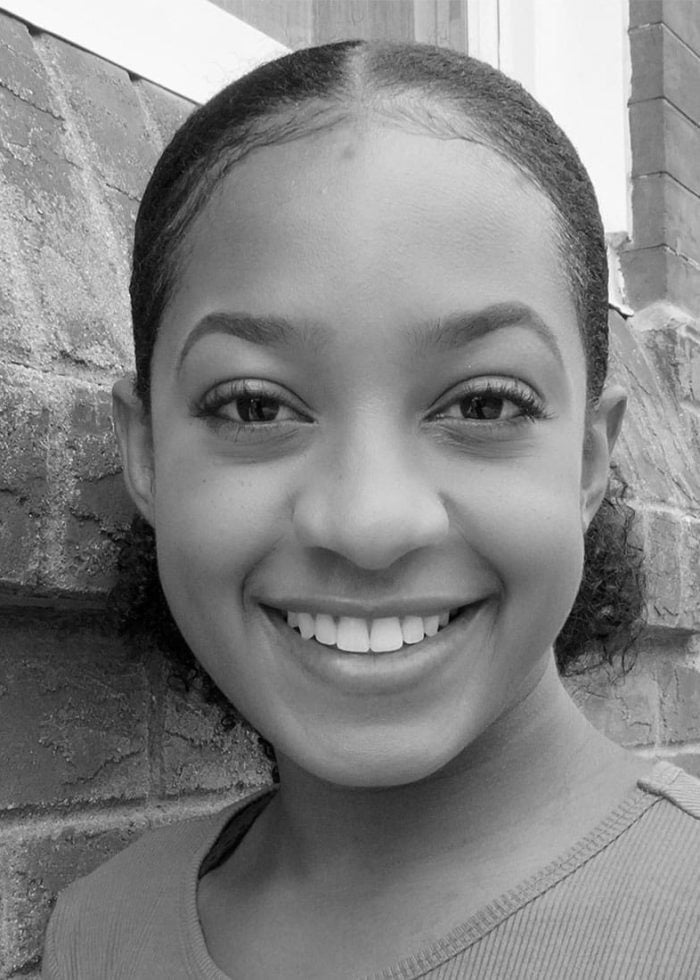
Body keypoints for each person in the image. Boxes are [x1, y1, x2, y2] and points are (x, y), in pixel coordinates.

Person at [42, 40, 700, 980]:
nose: (368, 523)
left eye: (483, 405)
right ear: (145, 453)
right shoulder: (98, 936)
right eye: (255, 407)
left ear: (590, 460)